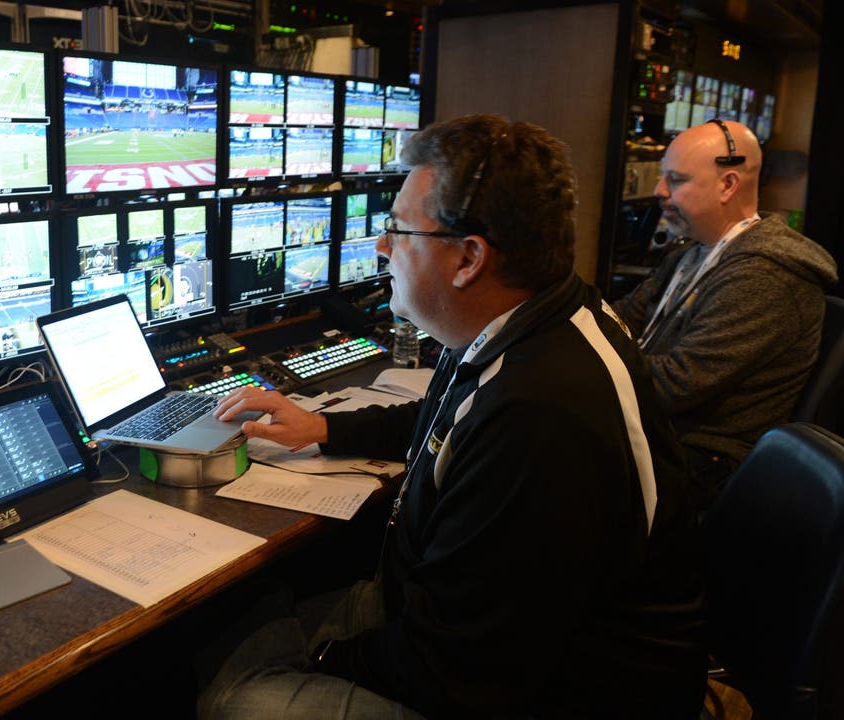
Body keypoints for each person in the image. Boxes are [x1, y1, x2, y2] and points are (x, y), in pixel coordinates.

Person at [199, 114, 706, 719]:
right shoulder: (541, 323)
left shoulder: (540, 416)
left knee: (235, 698)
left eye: (397, 229)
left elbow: (457, 672)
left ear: (468, 259)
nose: (382, 247)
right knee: (237, 625)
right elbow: (449, 420)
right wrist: (326, 428)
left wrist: (326, 658)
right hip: (464, 628)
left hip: (553, 691)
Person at [611, 118, 838, 508]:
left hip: (703, 463)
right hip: (657, 432)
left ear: (728, 185)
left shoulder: (765, 274)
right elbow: (623, 316)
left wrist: (591, 367)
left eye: (676, 180)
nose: (658, 190)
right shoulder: (692, 251)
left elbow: (677, 386)